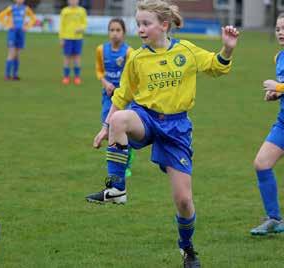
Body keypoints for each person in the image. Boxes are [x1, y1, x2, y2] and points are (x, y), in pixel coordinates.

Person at [85, 0, 239, 267]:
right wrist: (105, 127)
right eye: (138, 24)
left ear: (164, 25)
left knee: (183, 201)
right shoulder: (137, 57)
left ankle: (187, 249)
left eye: (146, 24)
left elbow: (216, 66)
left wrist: (227, 47)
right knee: (121, 118)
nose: (141, 29)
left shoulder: (186, 51)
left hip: (176, 128)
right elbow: (122, 95)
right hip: (145, 117)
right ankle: (118, 189)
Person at [251, 13, 284, 236]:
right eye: (278, 29)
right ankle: (273, 218)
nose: (280, 32)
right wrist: (276, 95)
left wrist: (279, 88)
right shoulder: (279, 57)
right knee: (262, 163)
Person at [95, 18, 135, 177]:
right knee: (109, 128)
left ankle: (126, 163)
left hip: (124, 97)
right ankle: (117, 161)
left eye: (118, 30)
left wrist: (121, 87)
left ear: (124, 33)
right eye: (112, 30)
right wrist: (105, 83)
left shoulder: (129, 52)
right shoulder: (100, 50)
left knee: (124, 129)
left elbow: (132, 76)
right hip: (108, 96)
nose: (114, 34)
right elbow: (99, 71)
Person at [0, 0, 36, 81]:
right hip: (12, 33)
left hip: (21, 33)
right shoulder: (11, 8)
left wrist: (27, 27)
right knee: (11, 53)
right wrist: (7, 25)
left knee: (17, 55)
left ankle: (15, 75)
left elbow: (33, 18)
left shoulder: (26, 9)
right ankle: (7, 75)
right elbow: (0, 16)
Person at [59, 0, 87, 85]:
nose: (73, 1)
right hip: (67, 38)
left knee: (77, 57)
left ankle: (77, 77)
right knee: (67, 57)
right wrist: (61, 38)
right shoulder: (65, 11)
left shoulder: (82, 11)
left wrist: (81, 28)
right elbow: (61, 25)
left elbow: (84, 23)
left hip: (78, 38)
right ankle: (66, 77)